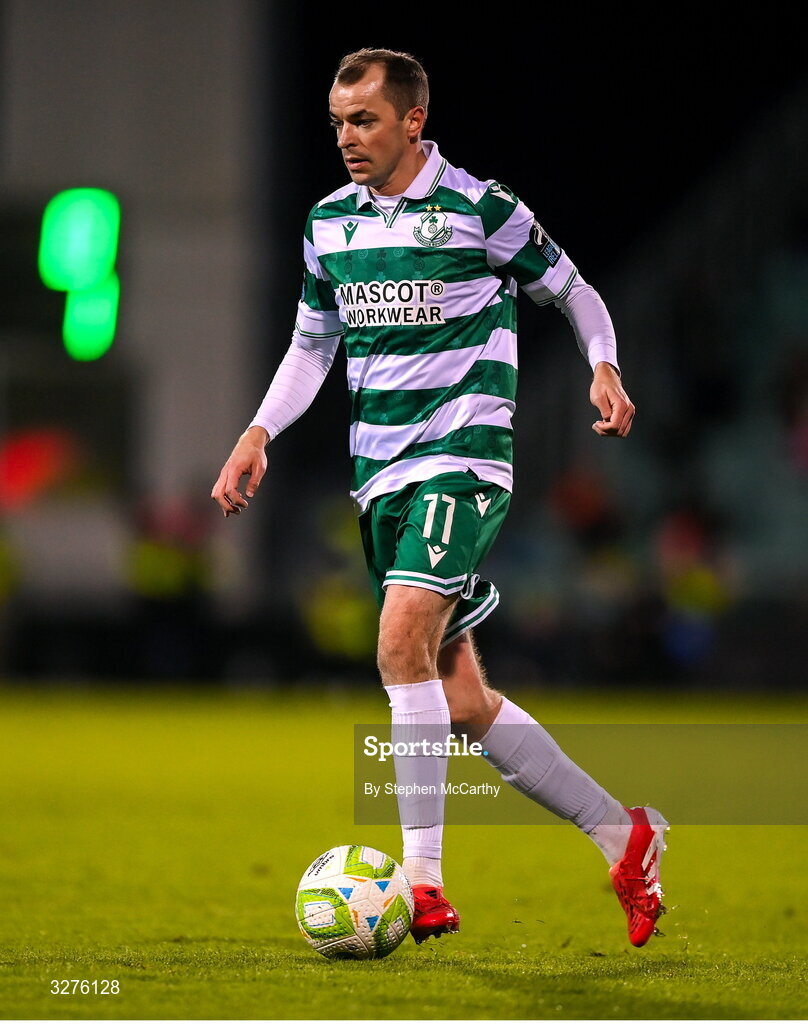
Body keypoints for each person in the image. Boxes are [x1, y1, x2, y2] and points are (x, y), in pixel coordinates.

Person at [212, 48, 668, 948]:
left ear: (413, 121)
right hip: (379, 475)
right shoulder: (328, 225)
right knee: (456, 700)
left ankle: (421, 881)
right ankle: (626, 835)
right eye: (338, 121)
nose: (346, 138)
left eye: (365, 120)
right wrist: (258, 432)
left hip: (463, 458)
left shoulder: (480, 208)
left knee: (395, 644)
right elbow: (312, 348)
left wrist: (603, 367)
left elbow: (574, 292)